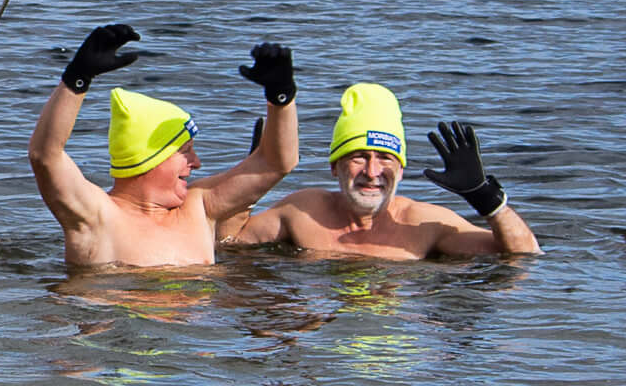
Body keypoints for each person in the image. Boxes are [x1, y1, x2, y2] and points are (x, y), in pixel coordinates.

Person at [29, 23, 298, 270]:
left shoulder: (199, 208)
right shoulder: (97, 216)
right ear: (150, 157)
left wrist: (282, 98)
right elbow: (45, 157)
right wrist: (77, 78)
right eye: (185, 151)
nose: (197, 163)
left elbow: (277, 164)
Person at [224, 83, 537, 259]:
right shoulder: (302, 211)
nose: (372, 172)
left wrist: (486, 198)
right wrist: (254, 180)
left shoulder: (424, 224)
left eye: (385, 159)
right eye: (359, 157)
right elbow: (227, 243)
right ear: (335, 166)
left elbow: (522, 257)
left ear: (401, 169)